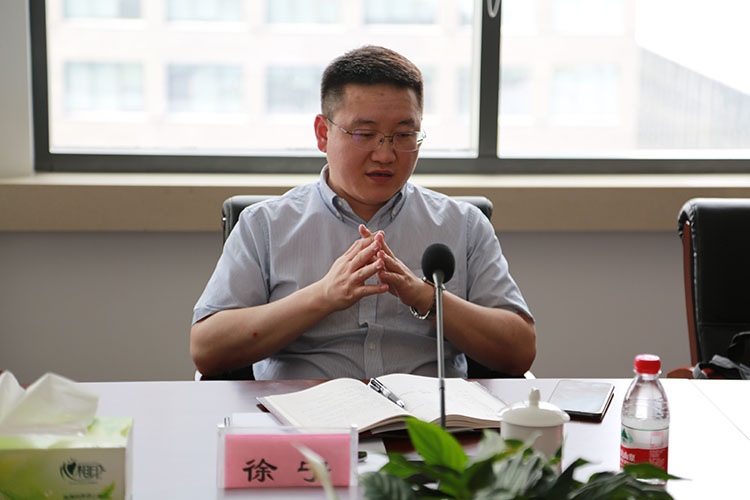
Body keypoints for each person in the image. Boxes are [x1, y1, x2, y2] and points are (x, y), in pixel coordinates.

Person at [191, 45, 535, 380]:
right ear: (323, 134)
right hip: (304, 414)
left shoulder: (463, 225)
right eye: (365, 134)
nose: (385, 155)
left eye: (404, 134)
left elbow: (519, 351)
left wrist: (426, 298)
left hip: (429, 415)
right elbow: (208, 350)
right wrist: (323, 296)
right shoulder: (265, 225)